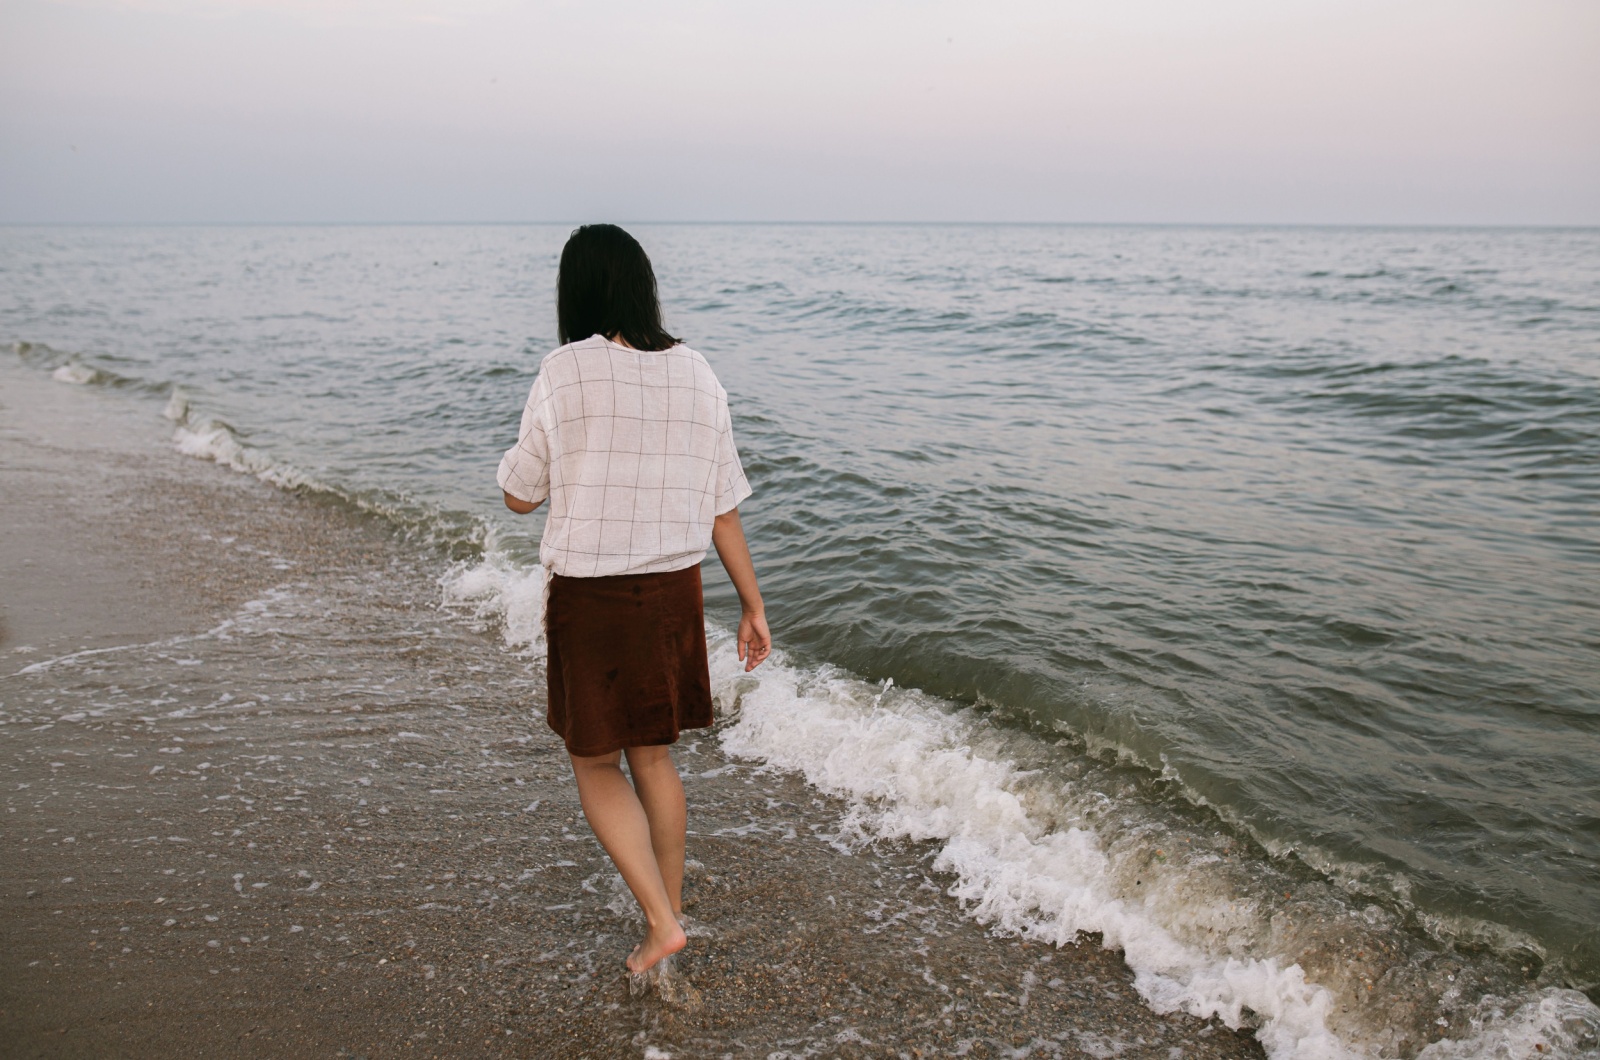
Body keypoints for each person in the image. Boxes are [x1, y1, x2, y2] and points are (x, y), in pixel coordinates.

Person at [496, 224, 771, 975]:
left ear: (577, 291)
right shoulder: (700, 373)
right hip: (677, 593)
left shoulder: (566, 368)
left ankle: (660, 922)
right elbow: (724, 507)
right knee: (654, 759)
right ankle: (666, 921)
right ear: (643, 285)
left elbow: (522, 495)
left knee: (594, 764)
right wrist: (753, 605)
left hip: (594, 597)